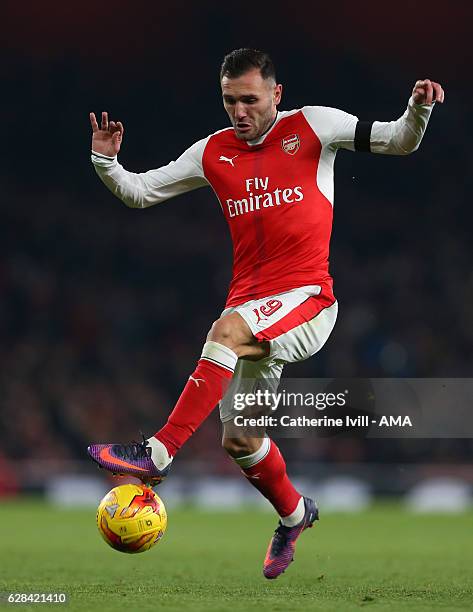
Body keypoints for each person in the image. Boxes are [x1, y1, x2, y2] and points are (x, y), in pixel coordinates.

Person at [87, 48, 444, 579]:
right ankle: (296, 515)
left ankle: (155, 455)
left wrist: (418, 109)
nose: (240, 111)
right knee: (241, 439)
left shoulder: (314, 126)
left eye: (250, 99)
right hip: (253, 308)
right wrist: (107, 161)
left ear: (276, 94)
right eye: (230, 100)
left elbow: (398, 140)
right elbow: (141, 192)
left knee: (225, 333)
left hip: (308, 301)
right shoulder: (213, 152)